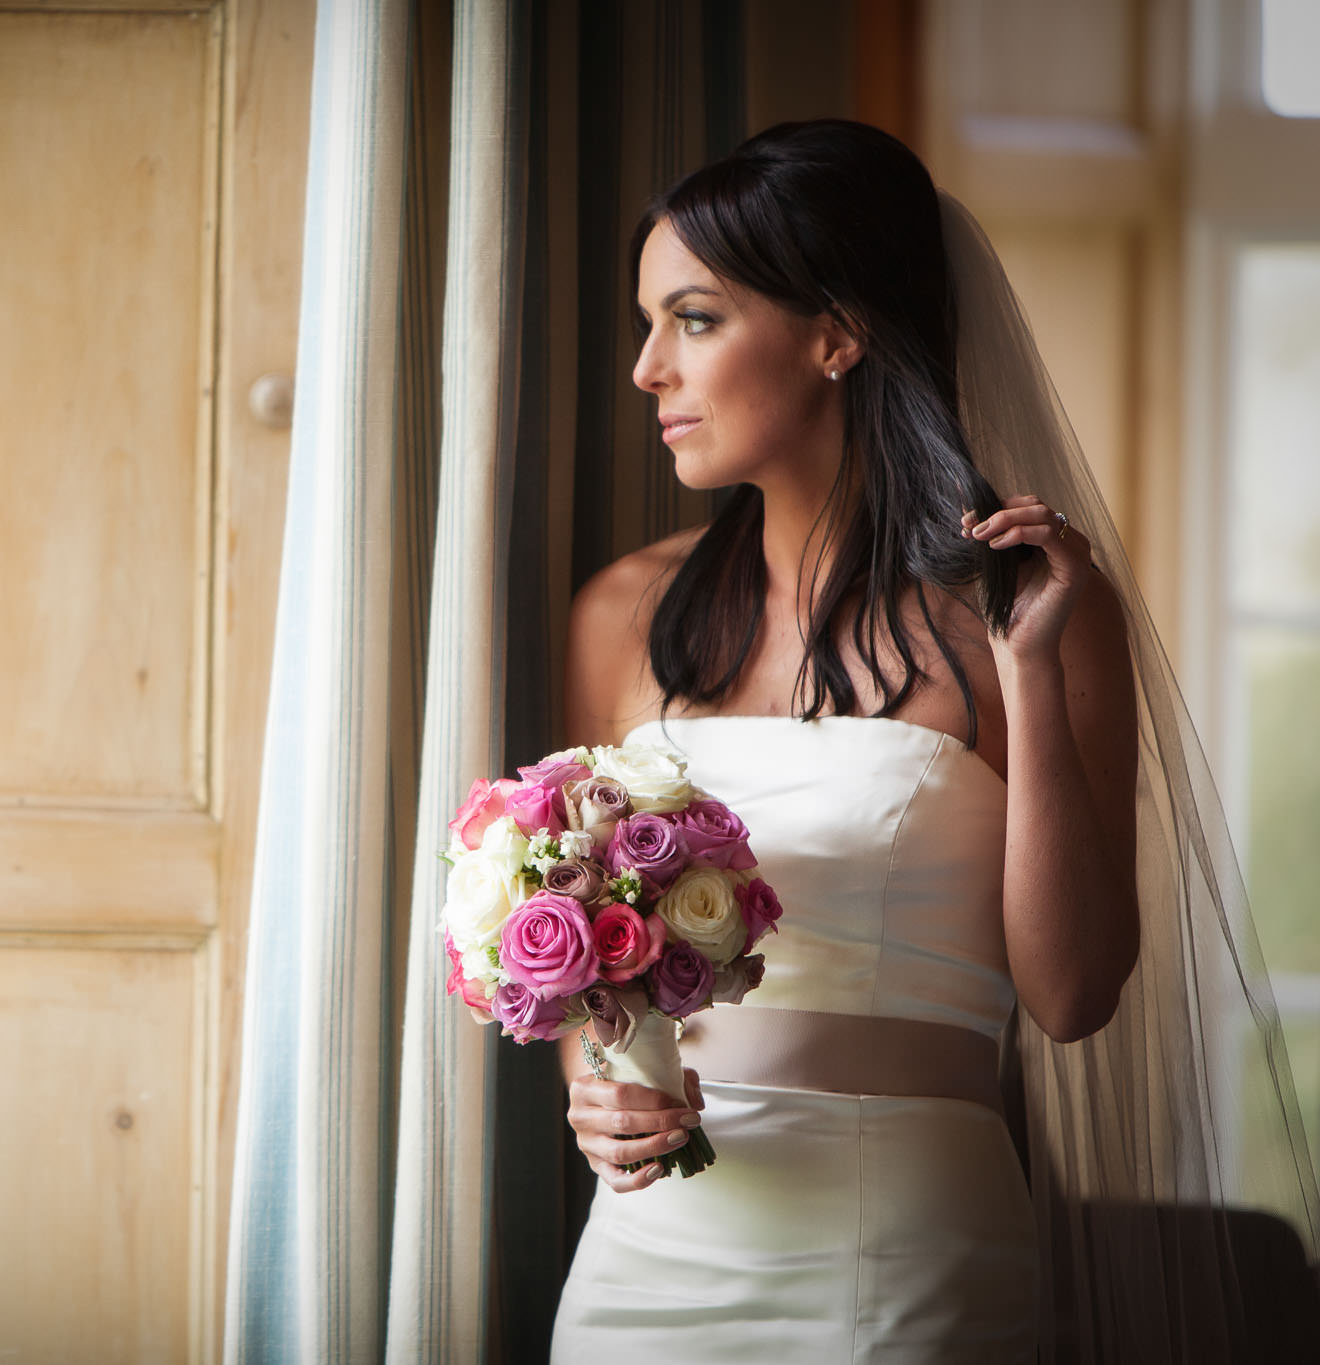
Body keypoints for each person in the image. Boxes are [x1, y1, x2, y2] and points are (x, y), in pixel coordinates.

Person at [544, 120, 1318, 1362]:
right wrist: (595, 1090)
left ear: (836, 333)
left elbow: (1068, 997)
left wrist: (1029, 664)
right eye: (648, 324)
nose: (645, 370)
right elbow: (589, 952)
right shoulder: (619, 616)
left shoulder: (1028, 614)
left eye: (691, 320)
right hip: (648, 1253)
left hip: (897, 1249)